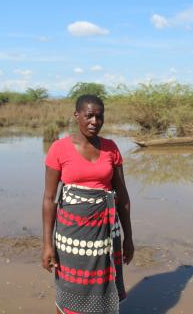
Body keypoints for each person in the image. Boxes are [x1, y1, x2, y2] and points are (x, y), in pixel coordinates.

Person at [41, 94, 134, 314]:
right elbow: (48, 199)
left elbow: (123, 196)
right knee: (69, 290)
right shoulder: (59, 149)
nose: (94, 122)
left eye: (99, 117)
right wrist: (46, 244)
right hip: (71, 235)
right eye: (89, 116)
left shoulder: (111, 148)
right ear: (76, 116)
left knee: (103, 288)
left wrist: (128, 237)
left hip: (106, 234)